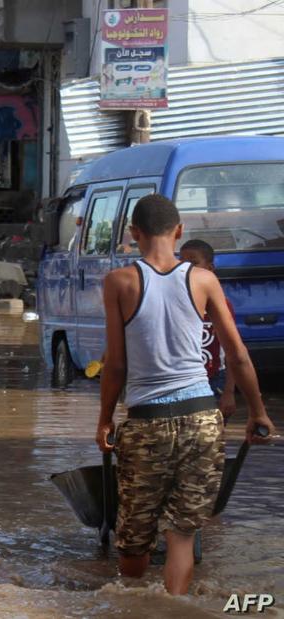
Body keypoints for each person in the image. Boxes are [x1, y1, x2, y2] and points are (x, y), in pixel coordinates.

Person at [95, 194, 274, 595]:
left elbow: (116, 367)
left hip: (145, 424)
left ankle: (134, 605)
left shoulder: (119, 282)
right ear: (179, 232)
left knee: (135, 532)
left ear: (133, 234)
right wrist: (258, 412)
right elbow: (238, 355)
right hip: (201, 420)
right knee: (182, 532)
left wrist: (105, 419)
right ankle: (174, 607)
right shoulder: (204, 279)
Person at [179, 239, 237, 418]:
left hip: (214, 380)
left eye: (194, 263)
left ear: (210, 269)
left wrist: (228, 392)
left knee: (213, 435)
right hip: (182, 382)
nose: (186, 268)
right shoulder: (175, 301)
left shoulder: (220, 305)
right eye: (181, 262)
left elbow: (233, 352)